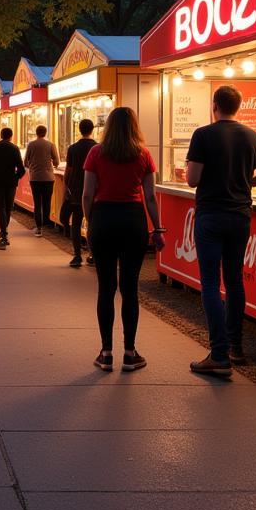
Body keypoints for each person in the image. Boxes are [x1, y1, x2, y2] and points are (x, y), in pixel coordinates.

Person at [186, 85, 256, 377]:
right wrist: (241, 182)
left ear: (215, 106)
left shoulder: (203, 134)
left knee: (211, 283)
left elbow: (192, 179)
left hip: (210, 215)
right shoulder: (253, 136)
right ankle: (236, 347)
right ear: (239, 107)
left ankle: (219, 354)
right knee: (235, 280)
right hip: (240, 216)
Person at [82, 107, 164, 373]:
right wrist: (158, 228)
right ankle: (130, 353)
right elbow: (150, 197)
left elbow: (87, 193)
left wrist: (90, 220)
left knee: (105, 288)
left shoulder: (96, 153)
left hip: (103, 219)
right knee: (130, 288)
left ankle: (106, 353)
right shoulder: (143, 154)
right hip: (133, 220)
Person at [60, 119, 97, 267]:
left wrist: (66, 189)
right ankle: (92, 255)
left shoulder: (73, 148)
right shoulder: (97, 147)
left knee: (76, 223)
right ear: (92, 129)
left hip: (76, 191)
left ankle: (77, 255)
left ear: (79, 130)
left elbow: (68, 171)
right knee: (92, 223)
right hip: (94, 191)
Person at [0, 127, 26, 248]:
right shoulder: (14, 148)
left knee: (0, 207)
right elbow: (21, 169)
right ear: (11, 136)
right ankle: (4, 231)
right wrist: (16, 177)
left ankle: (3, 233)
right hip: (10, 182)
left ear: (1, 135)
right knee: (8, 208)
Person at [24, 125, 60, 236]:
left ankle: (38, 227)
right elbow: (56, 162)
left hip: (35, 178)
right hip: (48, 178)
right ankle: (47, 225)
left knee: (37, 202)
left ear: (36, 133)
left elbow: (25, 162)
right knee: (47, 202)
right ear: (46, 133)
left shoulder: (31, 144)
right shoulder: (50, 144)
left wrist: (33, 166)